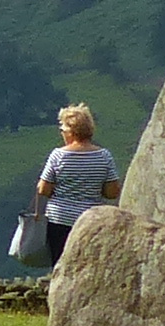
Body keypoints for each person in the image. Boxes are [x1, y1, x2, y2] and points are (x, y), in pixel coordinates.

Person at [28, 103, 119, 267]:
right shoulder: (104, 156)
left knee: (61, 265)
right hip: (91, 221)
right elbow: (112, 192)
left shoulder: (58, 155)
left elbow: (43, 189)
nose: (61, 132)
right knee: (88, 266)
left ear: (71, 131)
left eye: (62, 128)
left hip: (60, 219)